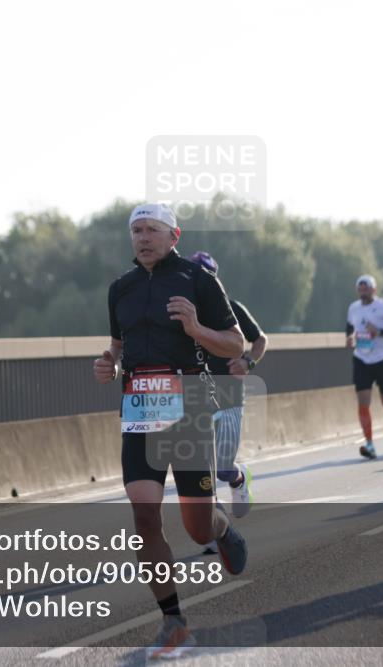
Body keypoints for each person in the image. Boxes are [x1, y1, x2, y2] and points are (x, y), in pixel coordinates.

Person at [93, 204, 247, 660]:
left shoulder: (198, 280)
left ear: (173, 235)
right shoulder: (120, 288)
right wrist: (108, 364)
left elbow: (235, 342)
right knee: (144, 518)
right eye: (136, 230)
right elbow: (118, 349)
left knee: (196, 527)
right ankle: (174, 623)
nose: (142, 237)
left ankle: (221, 529)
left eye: (152, 230)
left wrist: (197, 328)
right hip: (140, 411)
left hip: (190, 410)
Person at [187, 251, 267, 553]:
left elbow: (260, 340)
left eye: (205, 276)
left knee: (221, 468)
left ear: (215, 278)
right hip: (195, 398)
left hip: (230, 397)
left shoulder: (230, 309)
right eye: (193, 274)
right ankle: (214, 529)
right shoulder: (180, 312)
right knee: (202, 468)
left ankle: (238, 477)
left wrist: (248, 362)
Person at [345, 274, 383, 460]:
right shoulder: (353, 308)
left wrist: (379, 332)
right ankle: (369, 443)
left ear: (373, 289)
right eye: (360, 288)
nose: (362, 290)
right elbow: (349, 327)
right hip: (361, 359)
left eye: (366, 287)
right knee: (363, 401)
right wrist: (350, 337)